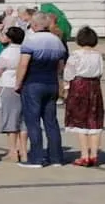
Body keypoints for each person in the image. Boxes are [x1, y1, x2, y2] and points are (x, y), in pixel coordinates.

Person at [16, 12, 68, 168]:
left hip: (33, 83)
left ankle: (36, 158)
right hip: (51, 83)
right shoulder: (57, 41)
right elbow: (60, 66)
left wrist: (18, 83)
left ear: (36, 25)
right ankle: (56, 157)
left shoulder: (30, 40)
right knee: (51, 122)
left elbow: (23, 64)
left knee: (33, 122)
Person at [62, 26, 105, 167]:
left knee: (80, 120)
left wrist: (66, 88)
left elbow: (68, 73)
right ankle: (94, 154)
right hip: (94, 87)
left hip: (79, 86)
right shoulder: (97, 54)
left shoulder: (76, 54)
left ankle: (84, 155)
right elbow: (100, 72)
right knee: (94, 120)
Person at [0, 26, 26, 165]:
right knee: (23, 119)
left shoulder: (7, 53)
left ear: (9, 38)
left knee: (10, 118)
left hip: (8, 85)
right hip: (24, 85)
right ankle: (24, 150)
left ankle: (13, 151)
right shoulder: (26, 51)